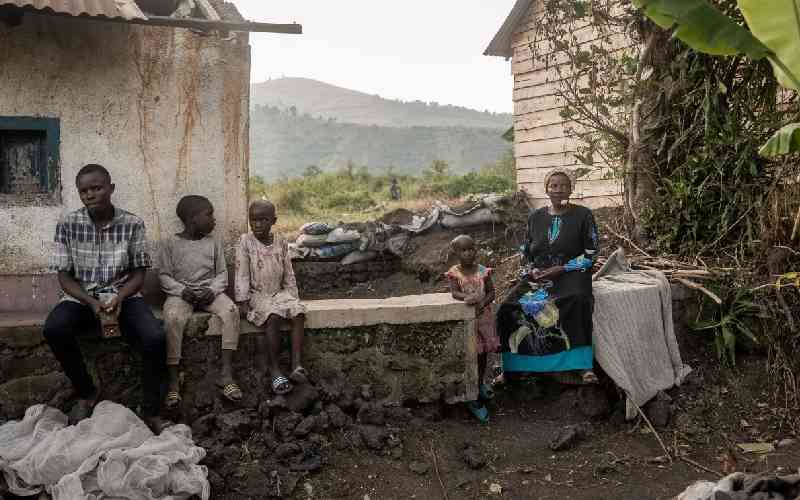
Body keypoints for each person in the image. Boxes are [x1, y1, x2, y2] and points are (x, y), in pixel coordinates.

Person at [43, 164, 169, 432]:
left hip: (125, 296)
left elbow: (139, 274)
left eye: (96, 188)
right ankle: (87, 392)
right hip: (82, 298)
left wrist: (120, 297)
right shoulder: (67, 224)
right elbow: (64, 277)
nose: (90, 194)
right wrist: (91, 302)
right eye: (84, 191)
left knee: (155, 337)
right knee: (54, 328)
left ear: (111, 188)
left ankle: (151, 411)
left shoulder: (132, 224)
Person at [497, 168, 599, 384]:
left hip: (571, 273)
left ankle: (581, 366)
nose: (559, 189)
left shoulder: (583, 215)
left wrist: (563, 268)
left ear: (571, 189)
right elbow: (525, 252)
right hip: (540, 276)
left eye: (564, 185)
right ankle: (514, 368)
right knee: (508, 307)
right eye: (554, 185)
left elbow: (591, 253)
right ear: (546, 189)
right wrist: (531, 269)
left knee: (577, 300)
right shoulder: (535, 218)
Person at [158, 195, 241, 407]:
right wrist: (181, 290)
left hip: (208, 292)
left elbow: (222, 273)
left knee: (231, 311)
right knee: (172, 318)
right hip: (181, 294)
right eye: (209, 214)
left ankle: (226, 373)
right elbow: (164, 275)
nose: (214, 219)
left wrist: (212, 290)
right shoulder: (169, 244)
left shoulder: (213, 243)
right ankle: (174, 380)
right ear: (193, 218)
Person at [235, 200, 307, 395]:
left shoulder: (281, 241)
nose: (257, 224)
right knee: (273, 317)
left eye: (263, 220)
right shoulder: (245, 242)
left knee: (299, 313)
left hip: (278, 292)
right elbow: (241, 273)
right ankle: (275, 370)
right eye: (253, 220)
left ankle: (296, 365)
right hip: (257, 294)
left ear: (273, 220)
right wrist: (242, 301)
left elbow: (288, 272)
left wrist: (292, 297)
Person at [446, 234, 499, 423]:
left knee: (483, 354)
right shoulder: (455, 273)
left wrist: (482, 303)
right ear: (456, 252)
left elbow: (492, 291)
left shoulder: (483, 271)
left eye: (471, 249)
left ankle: (480, 383)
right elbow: (454, 292)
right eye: (463, 250)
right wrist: (466, 298)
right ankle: (473, 394)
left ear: (475, 249)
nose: (468, 253)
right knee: (472, 355)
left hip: (483, 319)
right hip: (468, 321)